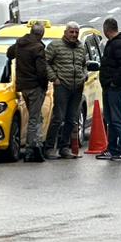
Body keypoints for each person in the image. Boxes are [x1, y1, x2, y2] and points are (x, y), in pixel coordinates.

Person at [44, 23, 89, 159]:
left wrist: (84, 75)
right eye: (71, 32)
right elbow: (45, 62)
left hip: (77, 87)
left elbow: (84, 65)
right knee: (58, 118)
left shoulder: (81, 47)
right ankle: (49, 148)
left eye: (76, 32)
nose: (74, 35)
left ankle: (64, 147)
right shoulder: (55, 46)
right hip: (62, 86)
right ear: (65, 32)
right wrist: (54, 78)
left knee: (72, 118)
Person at [7, 20, 50, 162]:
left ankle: (36, 143)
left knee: (35, 116)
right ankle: (31, 149)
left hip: (23, 86)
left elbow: (9, 53)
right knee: (34, 118)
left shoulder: (20, 43)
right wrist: (44, 85)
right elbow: (41, 71)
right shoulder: (38, 47)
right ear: (41, 34)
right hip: (35, 87)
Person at [98, 18, 121, 162]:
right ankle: (112, 149)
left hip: (115, 88)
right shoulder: (114, 43)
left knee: (117, 119)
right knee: (111, 120)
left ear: (106, 30)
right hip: (110, 87)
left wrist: (114, 82)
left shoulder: (119, 44)